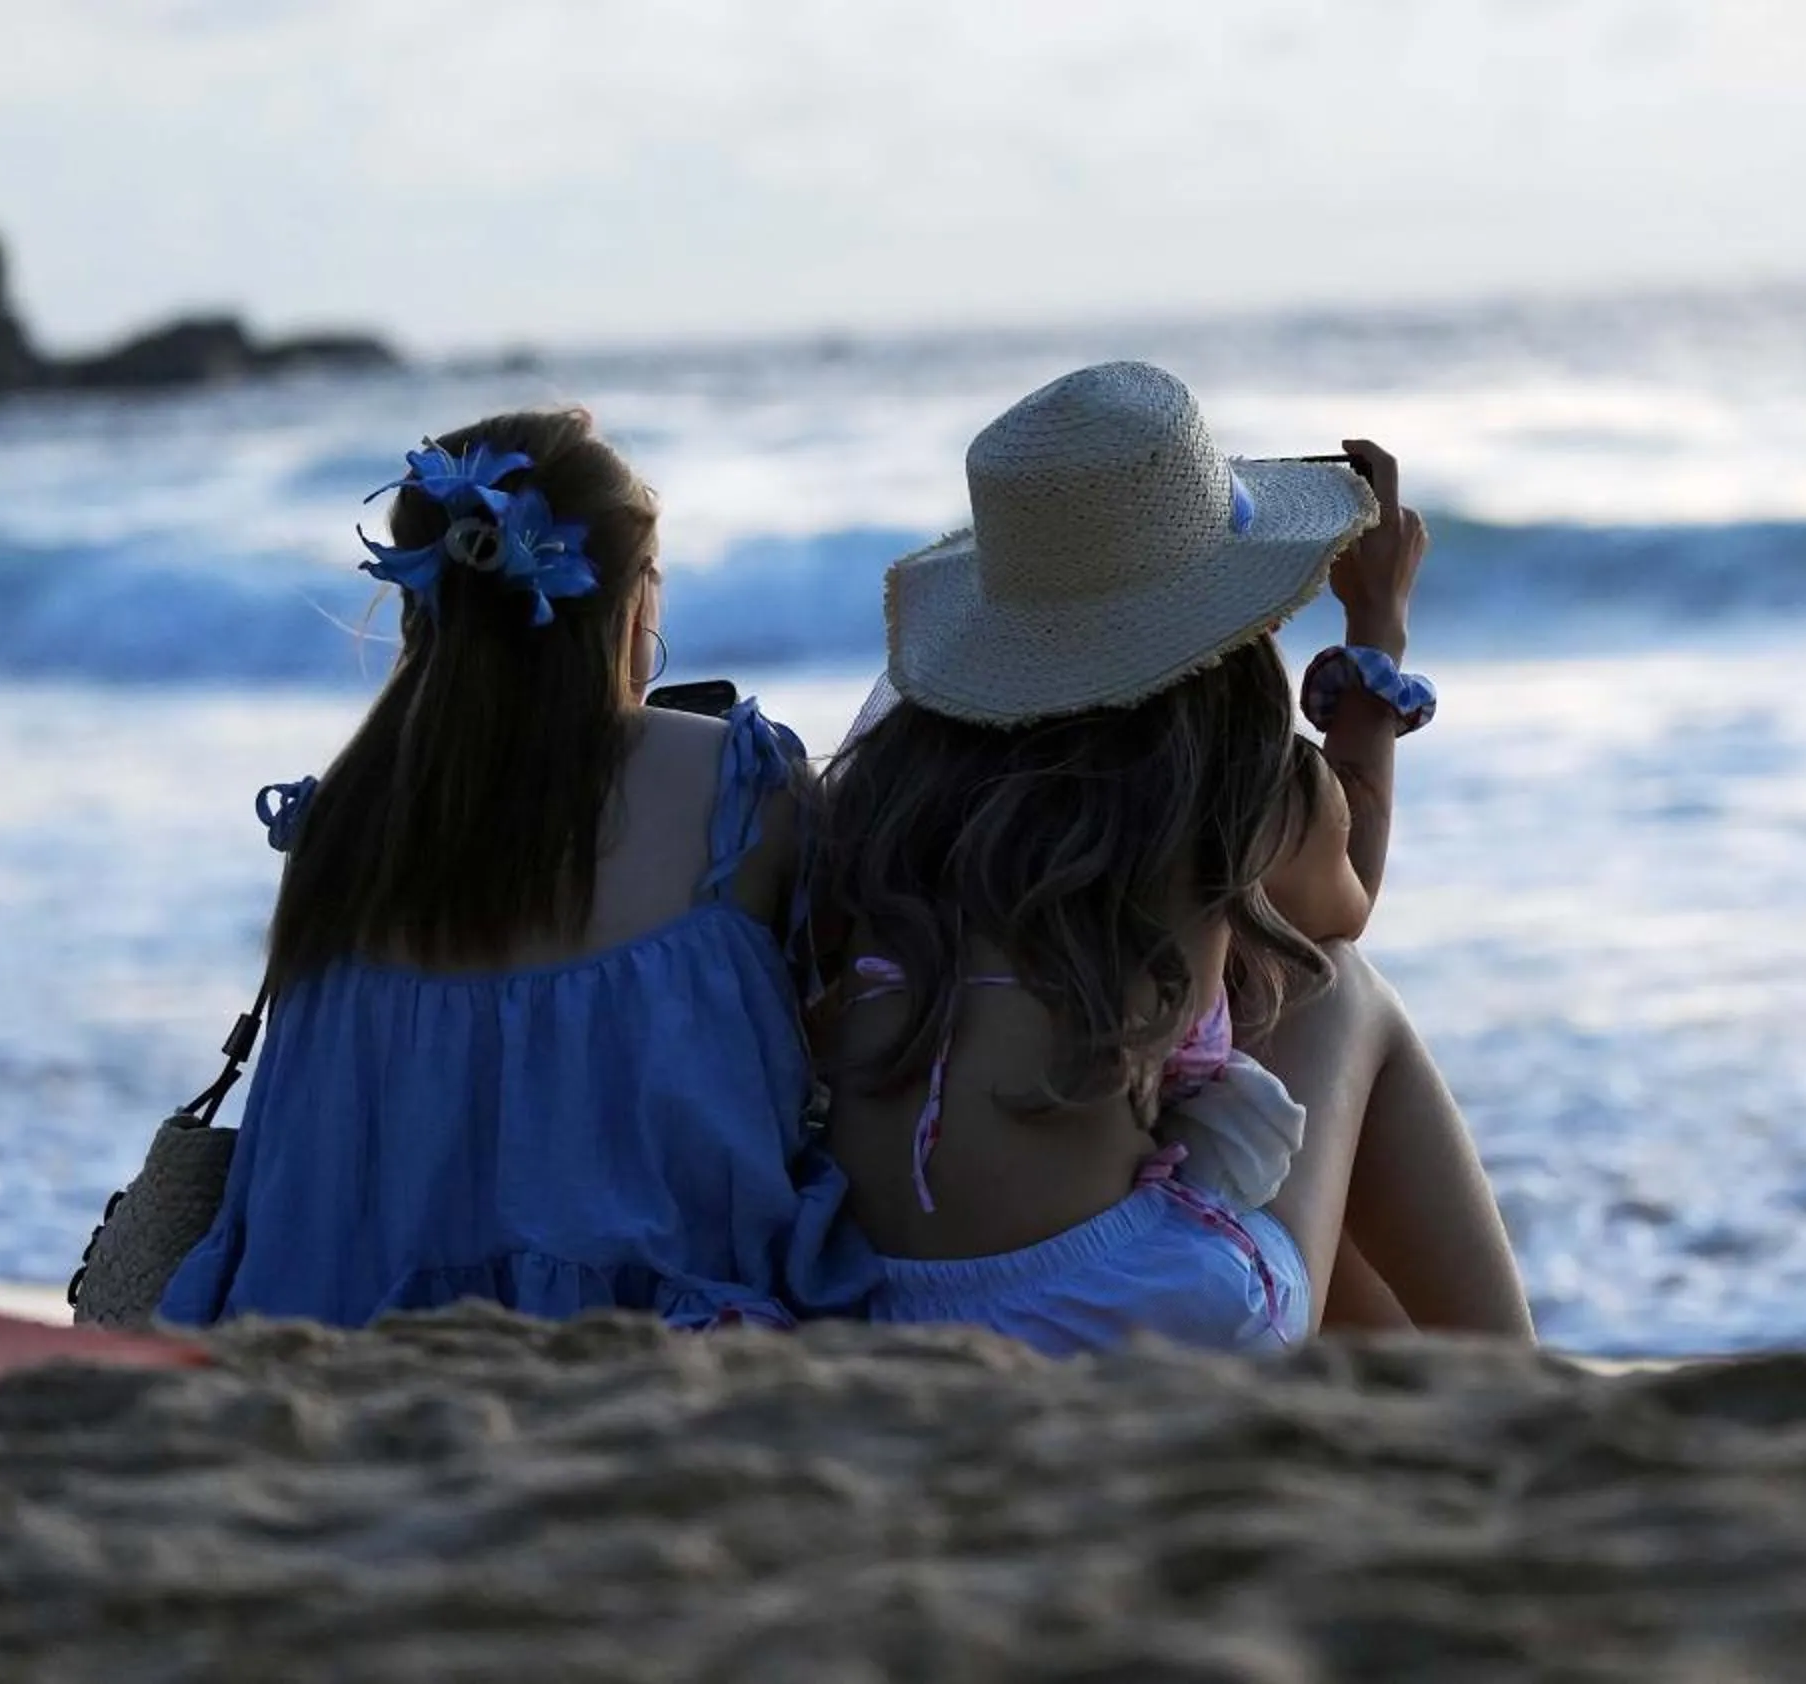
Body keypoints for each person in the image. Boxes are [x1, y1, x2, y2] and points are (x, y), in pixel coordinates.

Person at [807, 361, 1532, 1354]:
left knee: (1252, 1101)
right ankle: (1512, 1370)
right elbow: (1344, 892)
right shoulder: (1220, 784)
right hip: (1127, 1308)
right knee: (1337, 989)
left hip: (878, 1298)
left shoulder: (894, 787)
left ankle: (1426, 1385)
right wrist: (1377, 634)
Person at [159, 409, 861, 1329]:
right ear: (631, 600)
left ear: (422, 597)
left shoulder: (337, 822)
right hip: (661, 1340)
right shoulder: (739, 792)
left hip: (336, 1333)